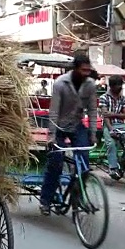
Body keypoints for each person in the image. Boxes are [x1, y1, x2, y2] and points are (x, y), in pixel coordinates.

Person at [40, 54, 97, 215]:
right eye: (83, 70)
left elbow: (92, 110)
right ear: (75, 69)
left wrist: (92, 133)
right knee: (56, 163)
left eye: (88, 70)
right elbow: (54, 111)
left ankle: (77, 196)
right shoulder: (60, 83)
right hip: (58, 125)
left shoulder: (90, 84)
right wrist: (51, 136)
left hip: (77, 125)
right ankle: (45, 200)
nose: (86, 73)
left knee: (84, 164)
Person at [99, 75, 125, 180]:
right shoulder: (104, 97)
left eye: (121, 86)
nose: (120, 88)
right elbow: (105, 116)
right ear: (112, 87)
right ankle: (113, 168)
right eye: (118, 86)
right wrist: (111, 129)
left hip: (122, 125)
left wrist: (111, 114)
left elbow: (124, 115)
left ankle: (122, 162)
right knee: (111, 144)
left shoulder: (124, 98)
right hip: (109, 126)